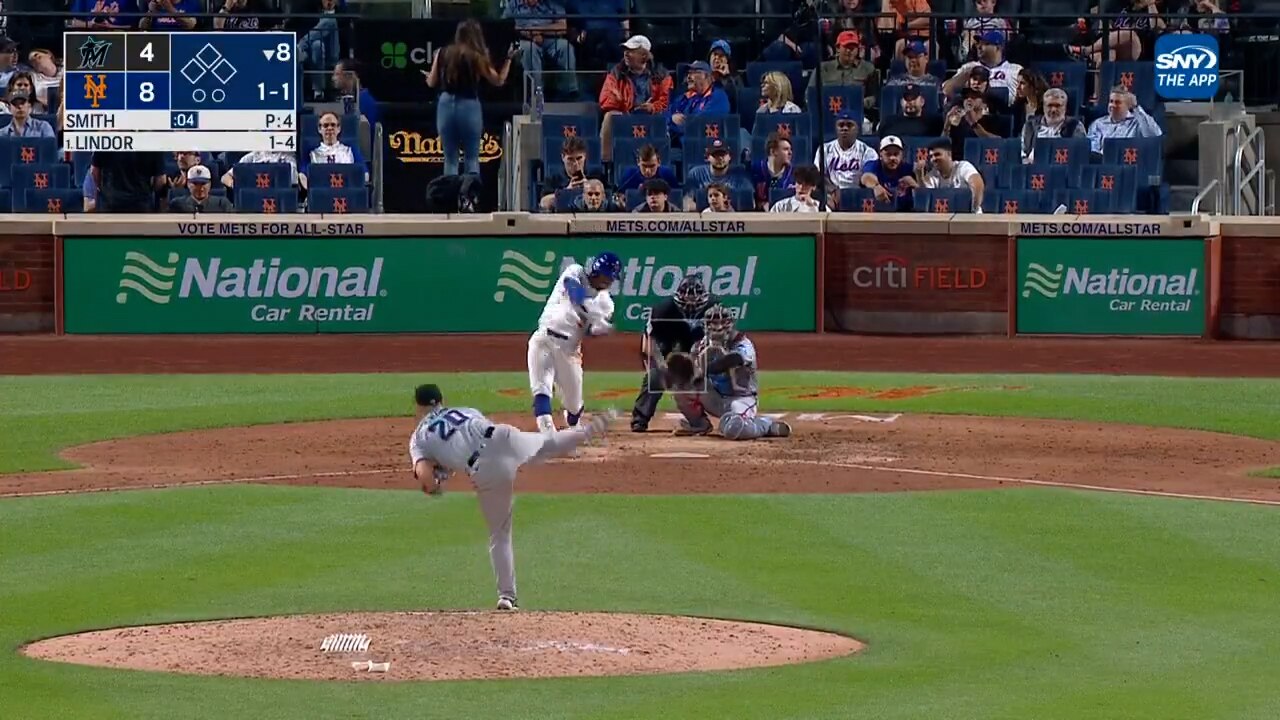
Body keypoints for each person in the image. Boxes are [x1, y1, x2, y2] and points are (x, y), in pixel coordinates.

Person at [408, 383, 616, 611]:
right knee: (547, 445)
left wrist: (434, 486)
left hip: (486, 469)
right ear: (441, 400)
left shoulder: (419, 438)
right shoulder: (465, 411)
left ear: (418, 407)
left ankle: (507, 596)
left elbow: (425, 476)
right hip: (502, 435)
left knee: (500, 534)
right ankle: (589, 430)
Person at [527, 253, 621, 434]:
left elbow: (591, 330)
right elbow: (574, 292)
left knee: (574, 405)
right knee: (541, 389)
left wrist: (599, 328)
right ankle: (548, 435)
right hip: (544, 339)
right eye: (606, 276)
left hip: (569, 351)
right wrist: (592, 312)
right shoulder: (575, 271)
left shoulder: (606, 303)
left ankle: (574, 424)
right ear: (596, 271)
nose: (608, 281)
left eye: (611, 278)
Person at [668, 304, 792, 440]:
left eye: (722, 323)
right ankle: (699, 425)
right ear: (705, 325)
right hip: (715, 397)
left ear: (730, 324)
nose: (718, 328)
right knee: (682, 387)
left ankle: (766, 424)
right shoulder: (700, 345)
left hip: (741, 399)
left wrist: (707, 368)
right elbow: (692, 372)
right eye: (713, 323)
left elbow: (734, 359)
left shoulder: (743, 344)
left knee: (734, 429)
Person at [426, 19, 515, 177]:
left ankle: (450, 191)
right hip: (468, 104)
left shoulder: (442, 53)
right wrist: (508, 59)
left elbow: (431, 82)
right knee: (472, 158)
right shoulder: (477, 57)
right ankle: (470, 192)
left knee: (450, 159)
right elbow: (498, 81)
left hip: (445, 103)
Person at [631, 275, 717, 432]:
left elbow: (719, 341)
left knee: (707, 377)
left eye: (695, 299)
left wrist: (699, 364)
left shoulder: (713, 309)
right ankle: (640, 418)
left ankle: (708, 418)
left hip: (699, 353)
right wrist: (662, 366)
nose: (691, 303)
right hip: (667, 351)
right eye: (687, 298)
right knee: (655, 378)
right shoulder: (663, 311)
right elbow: (649, 343)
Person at [598, 35, 672, 162]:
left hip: (651, 116)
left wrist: (652, 107)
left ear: (644, 56)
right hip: (625, 114)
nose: (626, 54)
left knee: (663, 118)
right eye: (625, 50)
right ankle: (606, 162)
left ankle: (661, 162)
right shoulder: (616, 73)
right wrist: (624, 105)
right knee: (609, 116)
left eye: (631, 51)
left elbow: (665, 101)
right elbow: (605, 99)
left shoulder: (662, 75)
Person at [1086, 85, 1162, 155]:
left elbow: (1154, 135)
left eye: (1118, 102)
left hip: (1128, 161)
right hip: (1104, 162)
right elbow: (1092, 151)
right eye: (1111, 101)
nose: (1112, 105)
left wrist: (1136, 107)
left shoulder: (1138, 123)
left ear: (1128, 106)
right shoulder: (1098, 124)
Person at [666, 61, 729, 142]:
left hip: (705, 144)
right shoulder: (686, 97)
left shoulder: (718, 96)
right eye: (688, 73)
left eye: (693, 73)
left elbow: (698, 124)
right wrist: (671, 119)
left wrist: (673, 124)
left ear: (705, 76)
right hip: (681, 143)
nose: (688, 77)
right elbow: (665, 114)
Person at [815, 109, 877, 192]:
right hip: (831, 193)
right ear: (836, 128)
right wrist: (833, 190)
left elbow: (868, 174)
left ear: (857, 129)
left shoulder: (867, 151)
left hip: (859, 193)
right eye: (841, 125)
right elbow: (818, 175)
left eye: (849, 125)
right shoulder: (824, 149)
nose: (844, 128)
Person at [1020, 87, 1086, 163]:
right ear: (1044, 107)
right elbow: (1023, 154)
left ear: (1065, 107)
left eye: (1058, 106)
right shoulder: (1030, 126)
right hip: (1035, 167)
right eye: (1049, 105)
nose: (1053, 110)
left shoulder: (1075, 126)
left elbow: (1079, 156)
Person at [91, 148, 166, 213]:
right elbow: (161, 180)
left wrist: (102, 188)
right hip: (141, 204)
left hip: (110, 202)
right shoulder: (152, 143)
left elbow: (94, 171)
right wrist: (149, 190)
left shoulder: (107, 140)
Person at [918, 137, 984, 208]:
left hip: (967, 213)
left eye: (937, 154)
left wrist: (973, 207)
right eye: (931, 156)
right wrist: (919, 176)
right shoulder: (932, 175)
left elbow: (977, 184)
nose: (933, 159)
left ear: (949, 154)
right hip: (946, 213)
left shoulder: (963, 166)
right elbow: (926, 195)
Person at [302, 111, 368, 181]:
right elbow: (302, 175)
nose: (330, 128)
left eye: (333, 125)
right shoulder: (312, 154)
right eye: (325, 125)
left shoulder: (350, 151)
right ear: (319, 129)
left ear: (339, 128)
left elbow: (365, 173)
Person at [860, 135, 917, 210]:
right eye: (888, 154)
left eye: (896, 154)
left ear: (902, 155)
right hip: (878, 212)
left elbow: (922, 194)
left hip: (904, 212)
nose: (892, 158)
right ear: (880, 154)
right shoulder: (873, 165)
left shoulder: (908, 169)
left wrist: (915, 186)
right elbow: (866, 177)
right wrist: (876, 186)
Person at [750, 132, 795, 210]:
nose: (790, 153)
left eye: (790, 149)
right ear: (773, 151)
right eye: (786, 149)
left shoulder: (794, 174)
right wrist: (761, 205)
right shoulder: (755, 170)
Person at [877, 84, 943, 137]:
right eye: (907, 99)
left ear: (922, 101)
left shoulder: (935, 123)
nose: (910, 102)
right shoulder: (888, 122)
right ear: (901, 102)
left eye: (913, 98)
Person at [168, 165, 233, 213]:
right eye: (195, 184)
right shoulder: (177, 205)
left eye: (203, 183)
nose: (200, 188)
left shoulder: (222, 204)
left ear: (210, 184)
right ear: (188, 184)